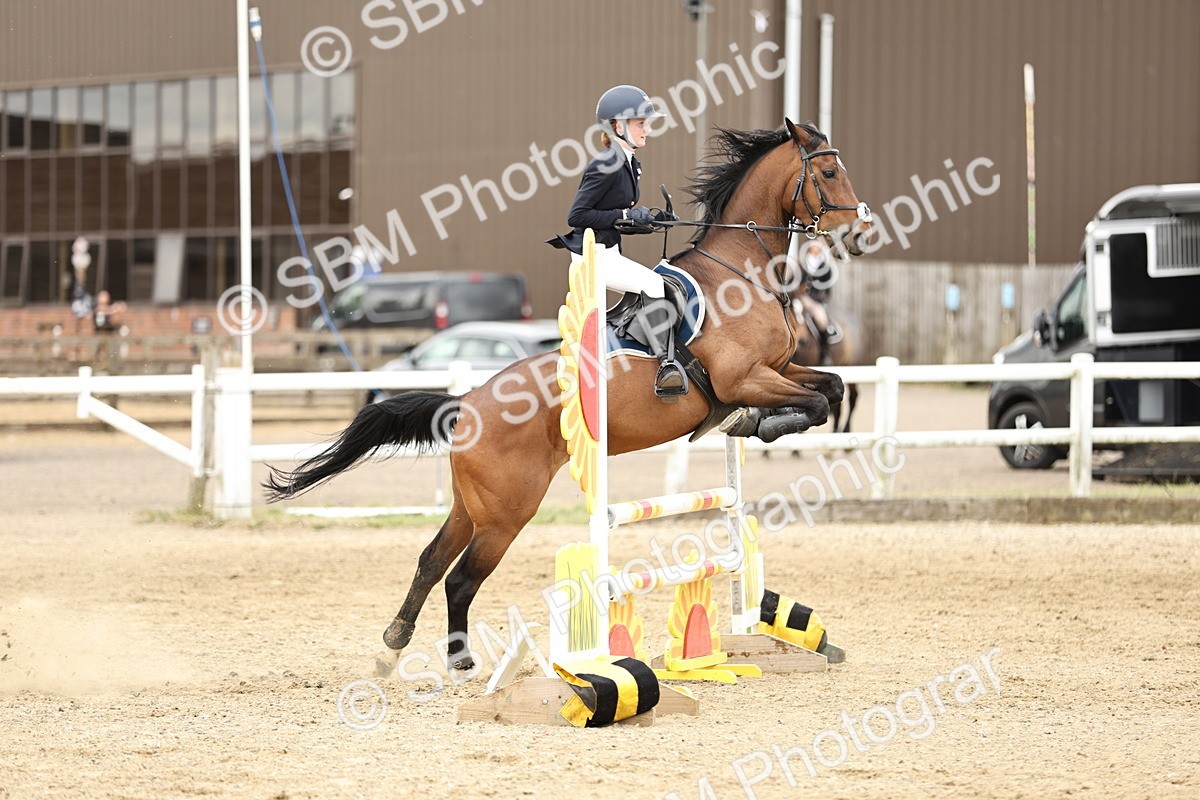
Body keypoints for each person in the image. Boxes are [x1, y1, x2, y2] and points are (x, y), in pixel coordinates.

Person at [547, 84, 686, 398]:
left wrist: (648, 221)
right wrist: (626, 214)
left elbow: (615, 216)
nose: (647, 129)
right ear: (618, 126)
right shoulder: (606, 163)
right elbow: (578, 215)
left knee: (651, 285)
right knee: (654, 286)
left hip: (607, 250)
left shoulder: (628, 162)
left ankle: (632, 350)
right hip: (592, 256)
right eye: (640, 123)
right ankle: (665, 365)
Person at [797, 241, 838, 364]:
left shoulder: (825, 268)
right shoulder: (802, 264)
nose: (814, 249)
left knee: (821, 321)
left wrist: (820, 298)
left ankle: (825, 353)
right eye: (812, 247)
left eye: (816, 247)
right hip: (800, 298)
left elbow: (827, 288)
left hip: (814, 301)